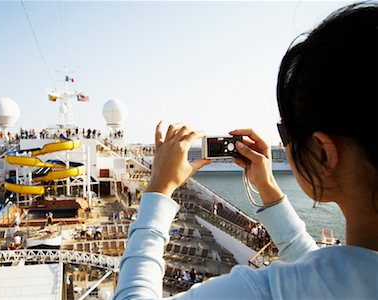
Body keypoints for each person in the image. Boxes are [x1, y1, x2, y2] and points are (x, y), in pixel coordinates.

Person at [115, 3, 377, 299]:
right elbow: (328, 273)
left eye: (285, 129)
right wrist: (266, 188)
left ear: (323, 154)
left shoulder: (264, 291)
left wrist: (158, 192)